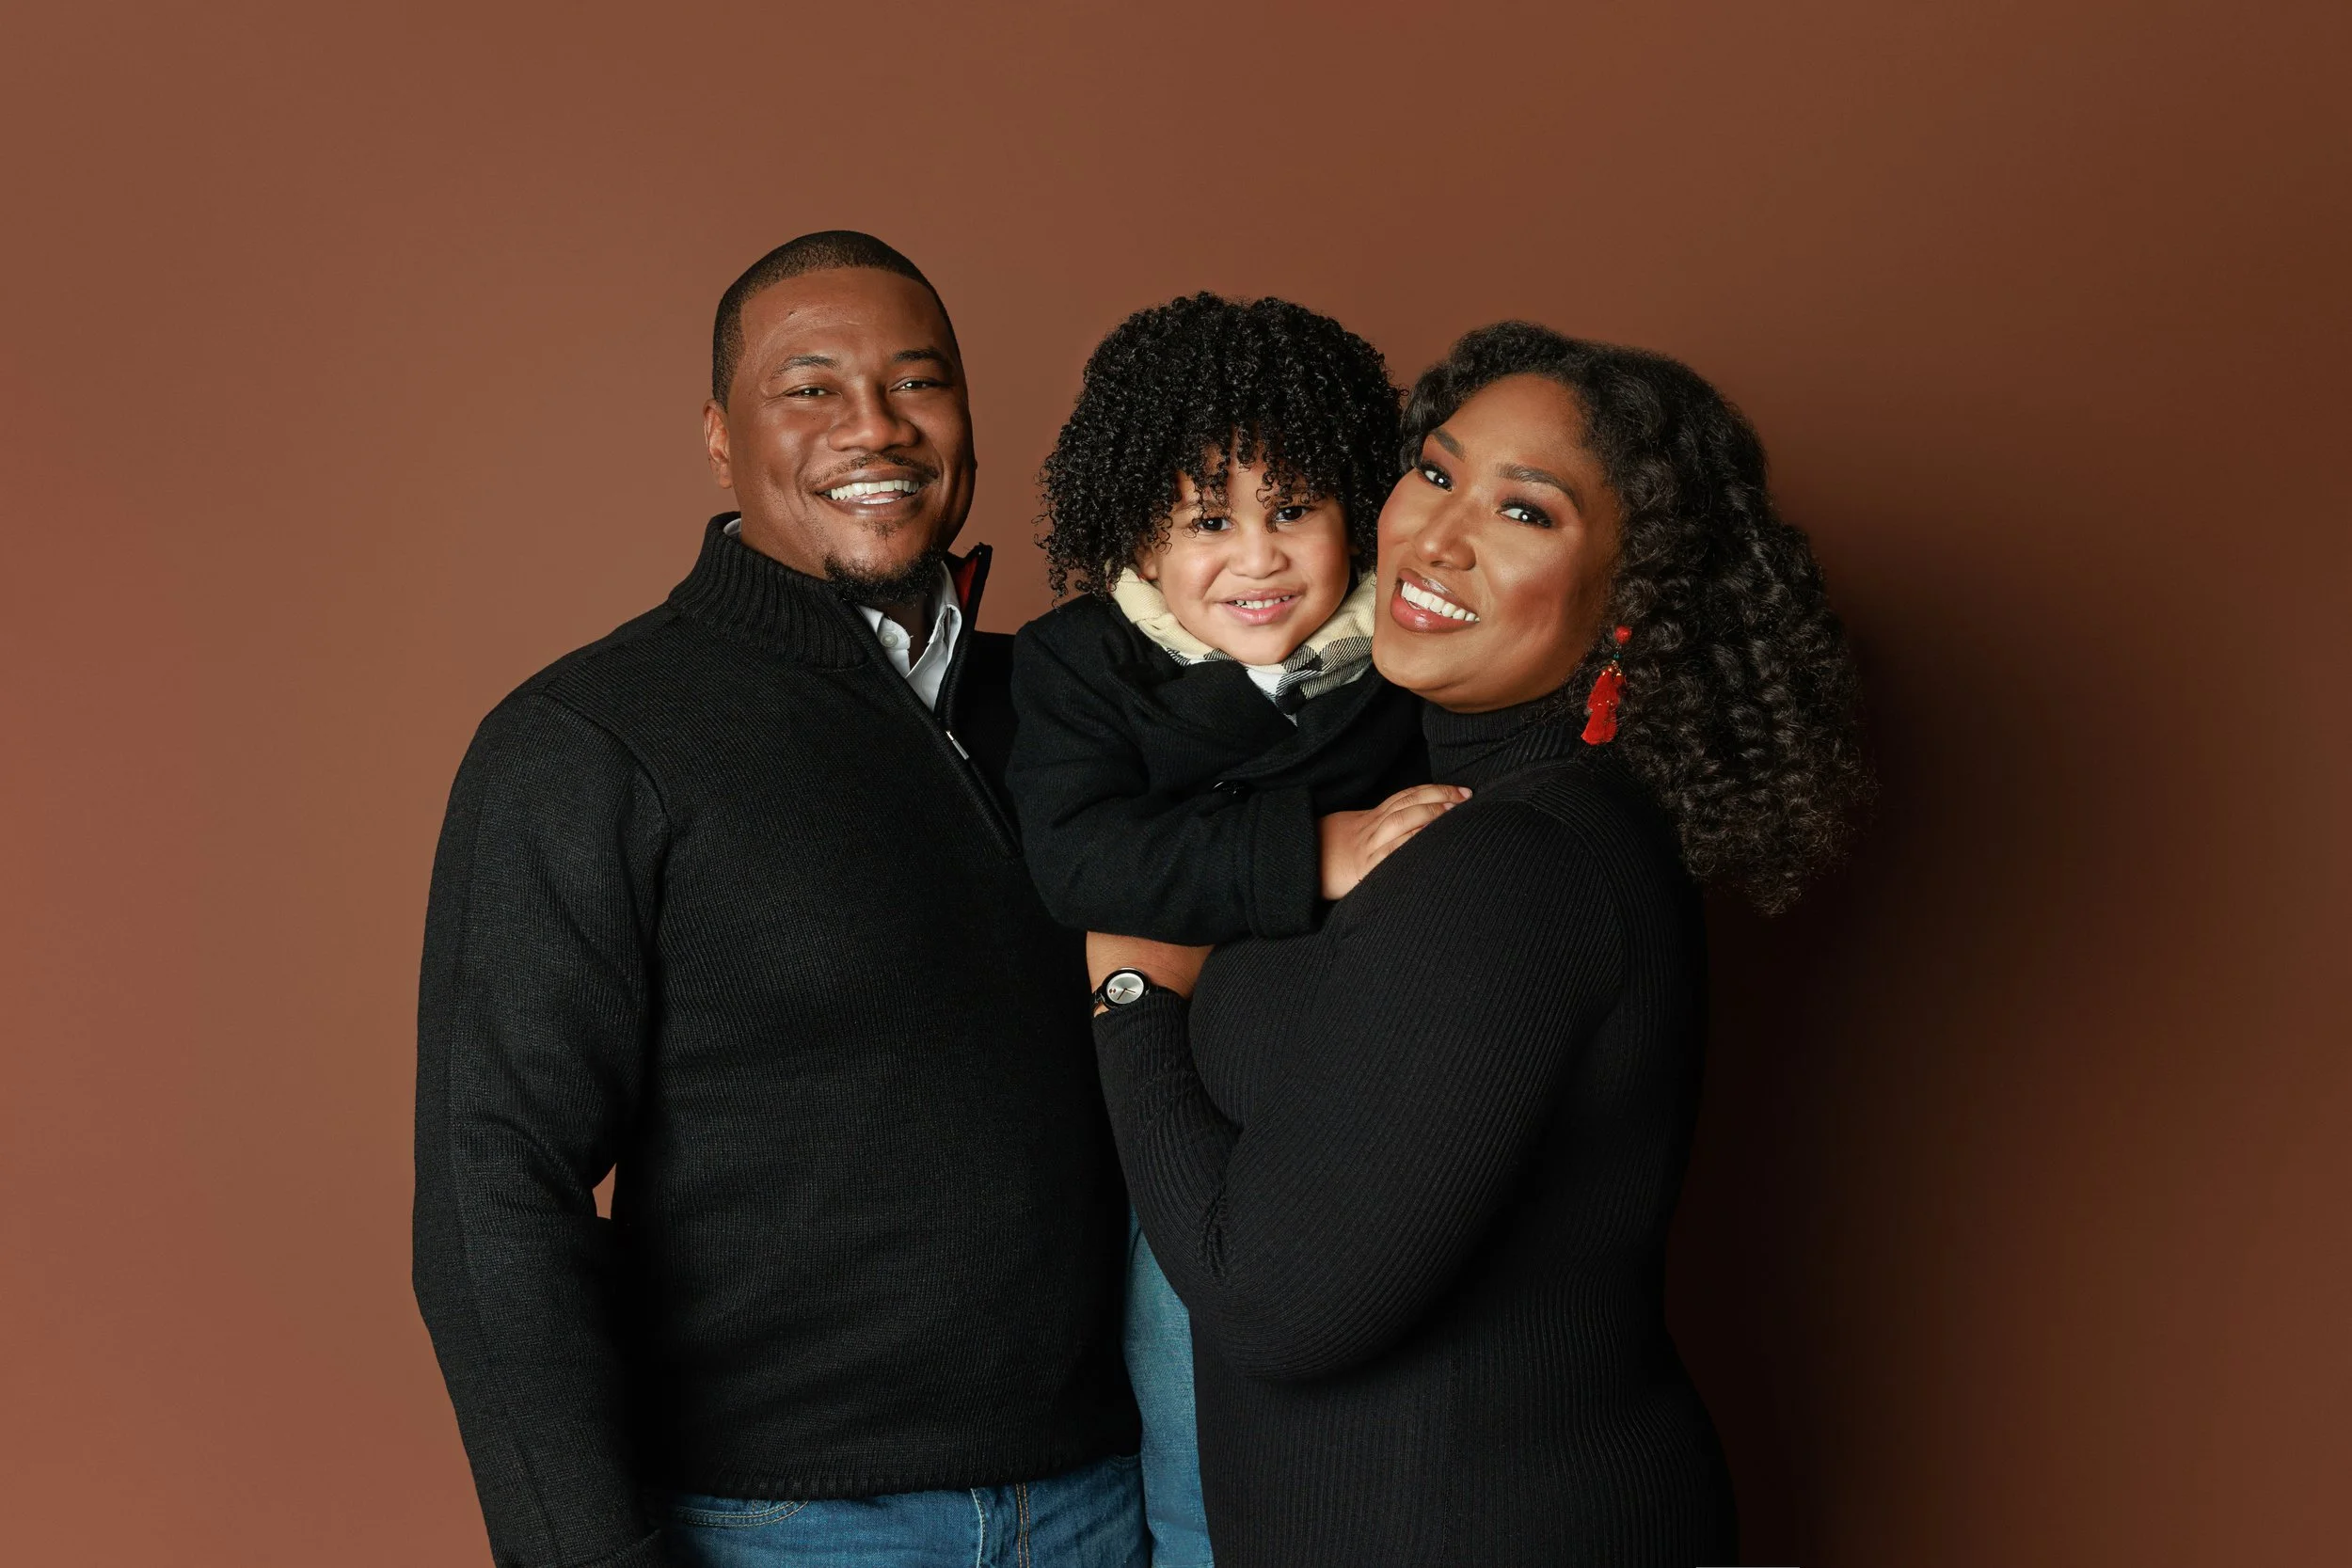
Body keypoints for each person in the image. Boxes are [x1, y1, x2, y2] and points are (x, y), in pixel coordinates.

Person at [1088, 323, 1872, 1567]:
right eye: (1437, 473)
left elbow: (1274, 1304)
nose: (1437, 538)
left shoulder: (1518, 864)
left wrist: (1134, 998)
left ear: (1633, 602)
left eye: (1525, 512)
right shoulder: (1443, 810)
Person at [413, 231, 1142, 1568]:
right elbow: (489, 1195)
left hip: (1105, 1503)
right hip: (781, 1527)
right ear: (718, 437)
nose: (876, 426)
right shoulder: (589, 739)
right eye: (811, 388)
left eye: (917, 382)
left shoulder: (1071, 707)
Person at [1005, 293, 1456, 1566]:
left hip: (1366, 1108)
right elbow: (1080, 857)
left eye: (1293, 511)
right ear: (1136, 534)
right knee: (1201, 1422)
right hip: (1179, 1121)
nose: (1257, 559)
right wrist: (1317, 850)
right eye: (1209, 521)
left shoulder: (1410, 652)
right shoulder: (1079, 664)